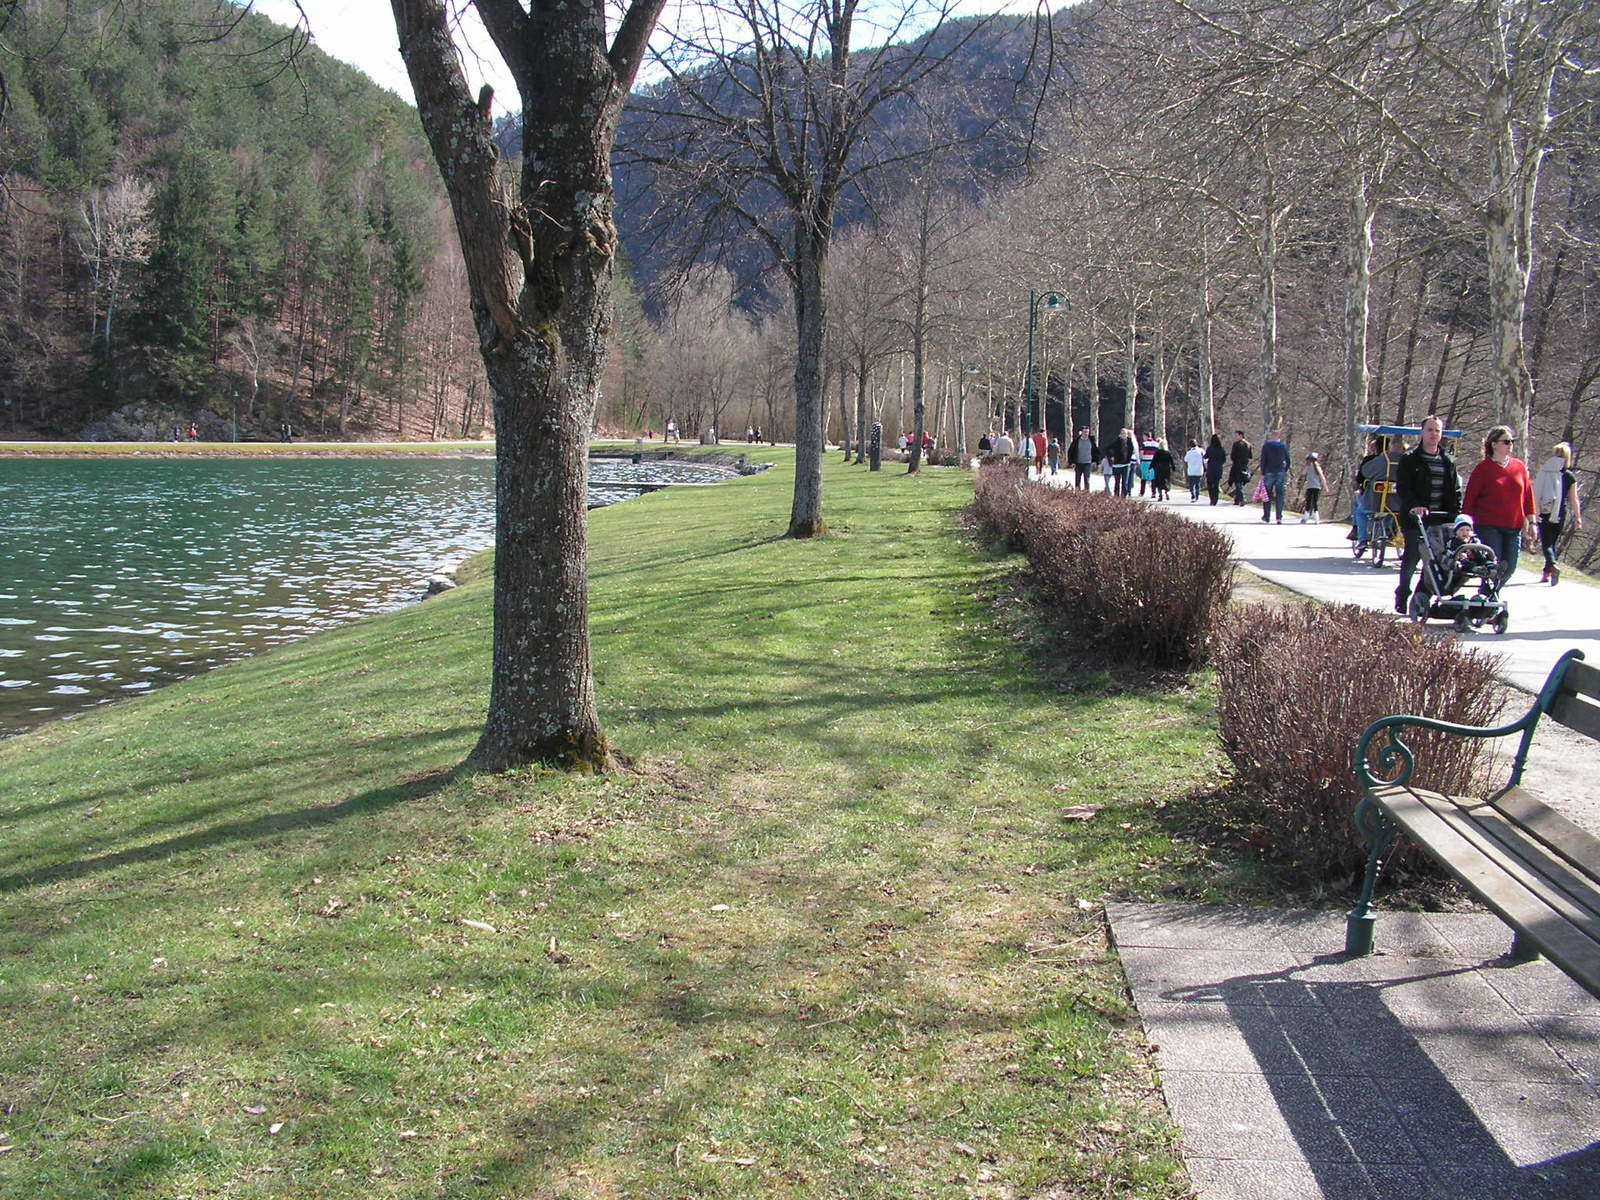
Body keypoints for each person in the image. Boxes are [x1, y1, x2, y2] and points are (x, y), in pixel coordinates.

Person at [1394, 415, 1461, 612]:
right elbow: (1403, 487)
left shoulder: (1447, 461)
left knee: (1435, 559)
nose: (1433, 434)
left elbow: (1455, 490)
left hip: (1441, 518)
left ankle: (1421, 595)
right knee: (1413, 555)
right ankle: (1403, 593)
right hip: (1415, 518)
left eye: (1437, 431)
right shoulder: (1410, 459)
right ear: (1422, 432)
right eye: (1430, 430)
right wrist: (1415, 505)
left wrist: (1456, 513)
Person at [1462, 424, 1535, 586]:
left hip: (1514, 527)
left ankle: (1488, 597)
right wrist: (1466, 525)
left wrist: (1533, 522)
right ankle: (1487, 600)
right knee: (1493, 566)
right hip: (1488, 526)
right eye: (1506, 442)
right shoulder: (1483, 469)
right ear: (1494, 444)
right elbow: (1470, 499)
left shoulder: (1519, 467)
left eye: (1512, 441)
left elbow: (1528, 496)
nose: (1511, 445)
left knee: (1509, 567)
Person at [1533, 442, 1583, 585]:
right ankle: (1547, 572)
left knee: (1547, 543)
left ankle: (1551, 566)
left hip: (1545, 512)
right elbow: (1574, 498)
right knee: (1552, 543)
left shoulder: (1544, 472)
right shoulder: (1569, 476)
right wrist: (1578, 517)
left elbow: (1537, 491)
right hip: (1560, 513)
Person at [1259, 430, 1290, 523]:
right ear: (1279, 436)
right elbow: (1288, 460)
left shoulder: (1266, 446)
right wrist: (1285, 469)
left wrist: (1263, 471)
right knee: (1280, 494)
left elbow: (1263, 459)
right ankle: (1279, 517)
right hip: (1280, 472)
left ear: (1272, 436)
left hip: (1269, 471)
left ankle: (1267, 516)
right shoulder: (1283, 446)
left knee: (1267, 495)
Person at [1300, 452, 1327, 524]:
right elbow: (1322, 478)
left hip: (1310, 486)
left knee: (1308, 501)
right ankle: (1316, 519)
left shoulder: (1308, 467)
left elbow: (1303, 473)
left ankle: (1306, 517)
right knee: (1315, 502)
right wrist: (1325, 486)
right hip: (1317, 487)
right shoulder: (1318, 468)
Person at [1109, 427, 1137, 496]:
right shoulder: (1116, 442)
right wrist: (1112, 456)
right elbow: (1108, 449)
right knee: (1117, 481)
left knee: (1125, 481)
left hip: (1126, 464)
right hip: (1117, 464)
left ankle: (1124, 495)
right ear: (1120, 434)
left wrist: (1130, 457)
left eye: (1125, 434)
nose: (1124, 435)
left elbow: (1132, 450)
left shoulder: (1129, 442)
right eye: (1123, 434)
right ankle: (1116, 494)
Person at [1228, 430, 1253, 505]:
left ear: (1241, 435)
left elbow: (1233, 456)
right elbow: (1250, 456)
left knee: (1238, 482)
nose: (1236, 437)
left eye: (1237, 435)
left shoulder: (1236, 444)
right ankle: (1237, 499)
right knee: (1241, 482)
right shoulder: (1248, 444)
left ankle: (1242, 498)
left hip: (1237, 465)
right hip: (1245, 465)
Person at [1203, 433, 1226, 505]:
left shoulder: (1210, 448)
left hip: (1211, 468)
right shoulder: (1221, 449)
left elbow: (1205, 457)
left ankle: (1211, 498)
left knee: (1210, 484)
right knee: (1216, 484)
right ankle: (1216, 498)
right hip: (1218, 468)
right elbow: (1224, 459)